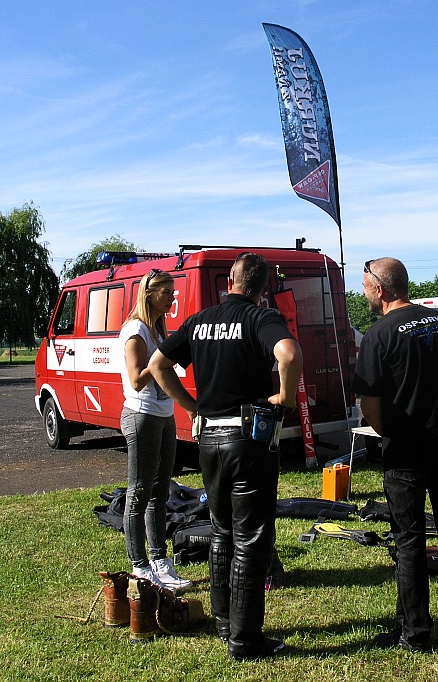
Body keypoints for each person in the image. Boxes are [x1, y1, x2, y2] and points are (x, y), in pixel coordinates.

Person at [147, 253, 302, 661]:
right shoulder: (259, 318)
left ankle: (223, 622)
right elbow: (288, 354)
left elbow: (157, 364)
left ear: (230, 281)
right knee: (251, 539)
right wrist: (285, 398)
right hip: (248, 440)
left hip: (209, 441)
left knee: (221, 533)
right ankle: (245, 640)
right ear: (262, 288)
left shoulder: (201, 320)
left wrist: (190, 406)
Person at [353, 257, 438, 654]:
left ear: (380, 288)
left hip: (406, 451)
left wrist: (388, 430)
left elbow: (368, 403)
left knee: (408, 541)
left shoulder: (379, 335)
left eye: (364, 286)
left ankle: (415, 633)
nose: (363, 293)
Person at [117, 268, 192, 592]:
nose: (173, 298)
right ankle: (139, 565)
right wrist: (159, 362)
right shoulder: (135, 331)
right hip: (141, 416)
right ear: (149, 295)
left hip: (163, 414)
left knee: (160, 493)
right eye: (167, 293)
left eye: (173, 292)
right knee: (139, 493)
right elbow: (136, 379)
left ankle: (160, 561)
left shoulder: (157, 331)